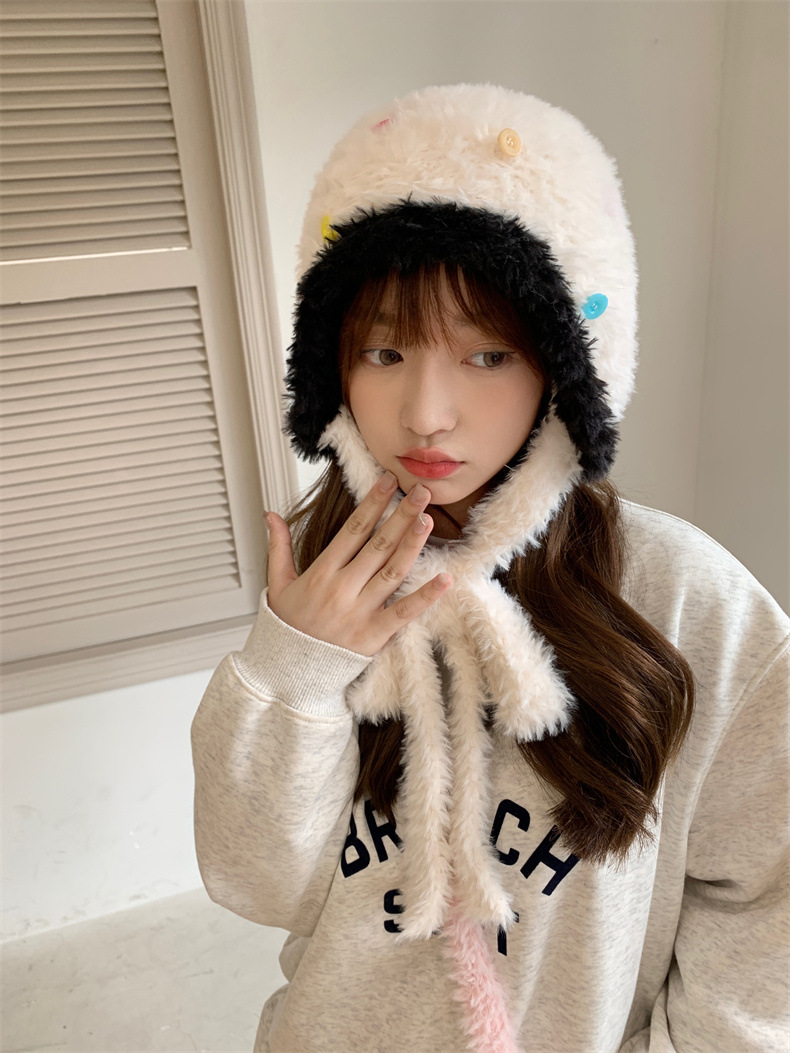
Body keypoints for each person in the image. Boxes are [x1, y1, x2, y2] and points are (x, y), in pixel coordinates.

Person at [191, 84, 789, 1053]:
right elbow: (260, 885)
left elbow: (768, 897)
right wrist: (294, 665)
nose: (425, 414)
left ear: (570, 364)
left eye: (488, 355)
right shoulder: (326, 577)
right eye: (384, 349)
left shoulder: (693, 603)